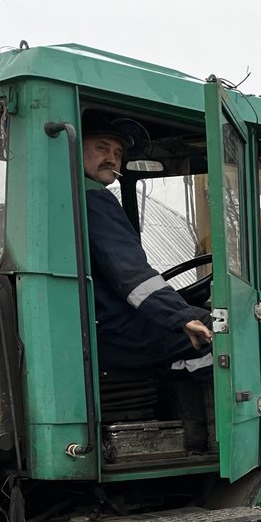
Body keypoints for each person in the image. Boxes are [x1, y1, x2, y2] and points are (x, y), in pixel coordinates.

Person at [82, 115, 213, 372]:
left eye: (118, 153)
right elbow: (131, 276)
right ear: (74, 148)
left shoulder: (69, 194)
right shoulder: (93, 199)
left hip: (99, 325)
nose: (111, 158)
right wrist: (181, 316)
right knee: (222, 336)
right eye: (102, 148)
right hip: (115, 330)